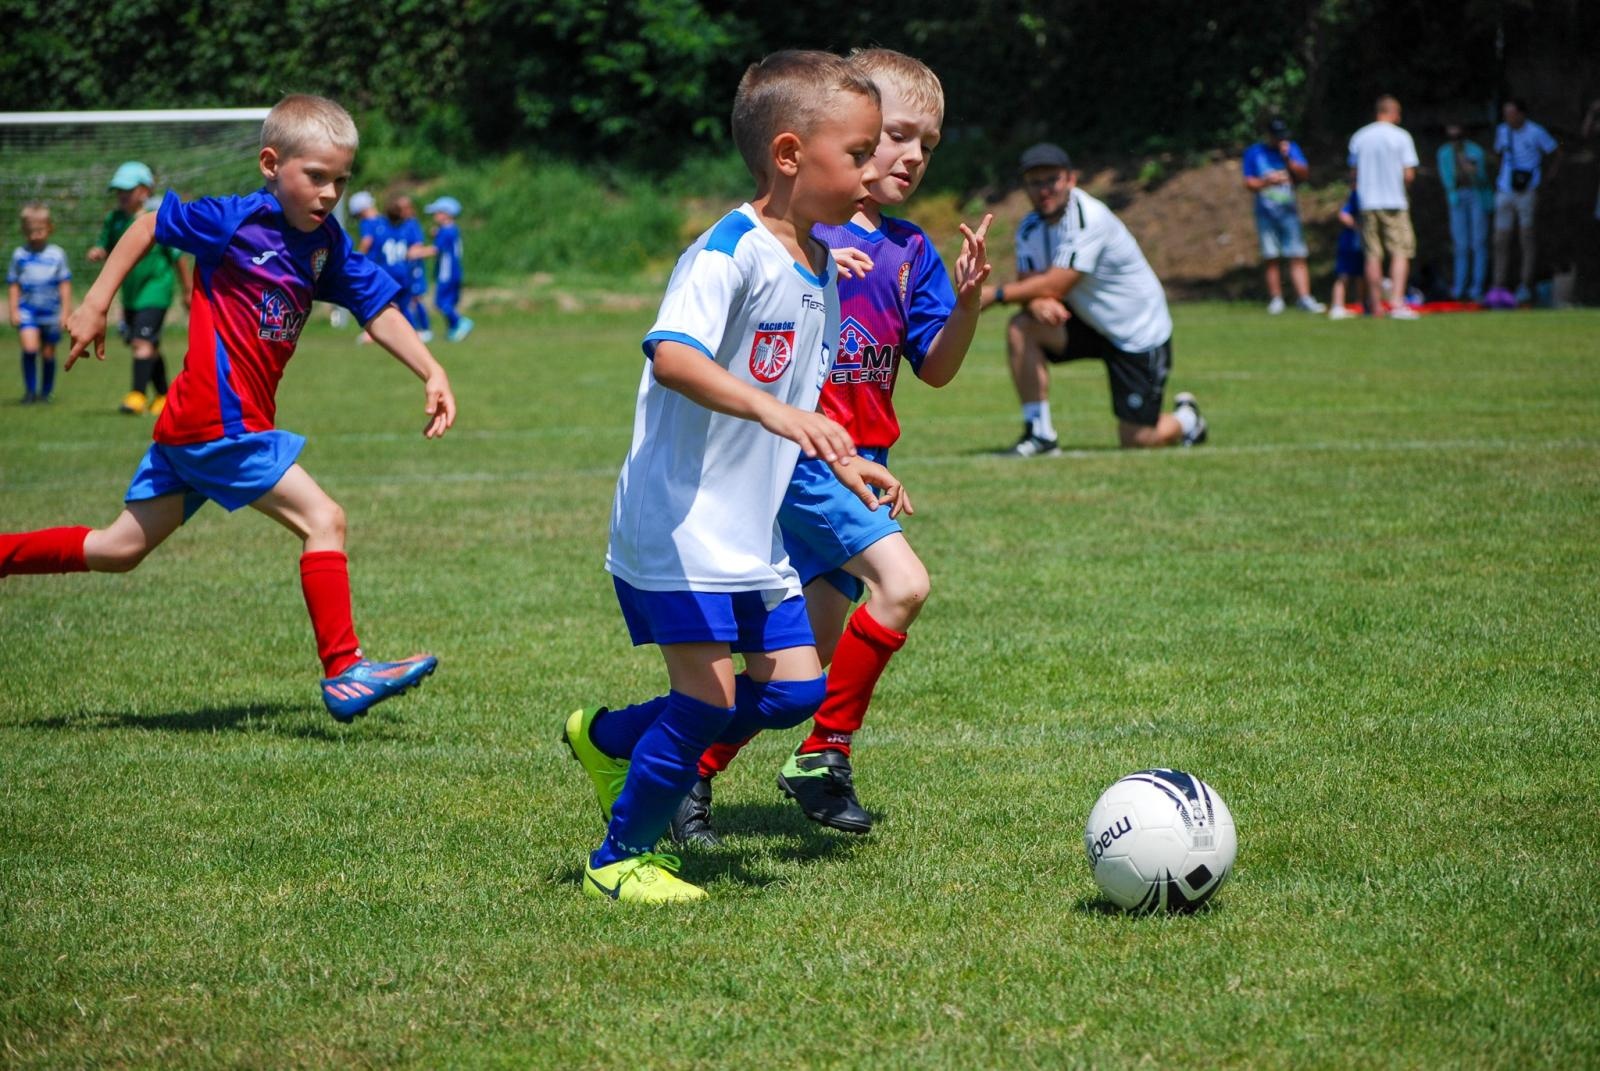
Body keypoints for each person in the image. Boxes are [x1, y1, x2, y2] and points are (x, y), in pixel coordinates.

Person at [560, 50, 904, 903]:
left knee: (792, 692)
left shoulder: (820, 264)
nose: (875, 170)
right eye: (857, 153)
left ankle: (609, 738)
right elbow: (673, 355)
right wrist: (774, 412)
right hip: (679, 522)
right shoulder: (730, 251)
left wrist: (842, 451)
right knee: (710, 699)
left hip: (749, 528)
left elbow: (796, 387)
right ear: (789, 156)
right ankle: (621, 858)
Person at [0, 94, 457, 723]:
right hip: (221, 422)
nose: (329, 193)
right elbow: (149, 224)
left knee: (118, 548)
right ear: (271, 163)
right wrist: (97, 302)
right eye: (316, 176)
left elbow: (375, 306)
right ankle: (345, 668)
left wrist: (431, 369)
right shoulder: (234, 222)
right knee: (325, 519)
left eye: (340, 180)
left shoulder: (323, 242)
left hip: (198, 427)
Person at [674, 48, 992, 845]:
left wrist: (972, 304)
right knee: (904, 581)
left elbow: (939, 370)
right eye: (892, 137)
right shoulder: (795, 233)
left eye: (928, 143)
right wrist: (821, 257)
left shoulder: (912, 251)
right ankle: (824, 753)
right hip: (805, 464)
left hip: (856, 469)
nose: (912, 155)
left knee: (796, 671)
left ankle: (688, 776)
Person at [979, 143, 1206, 455]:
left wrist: (996, 295)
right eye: (1035, 182)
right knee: (1023, 326)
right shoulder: (1029, 227)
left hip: (1136, 331)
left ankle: (1187, 419)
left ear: (1071, 179)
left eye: (1052, 180)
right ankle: (1040, 434)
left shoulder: (1089, 218)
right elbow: (1030, 282)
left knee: (1138, 440)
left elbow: (1059, 282)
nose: (1044, 190)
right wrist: (1033, 302)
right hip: (1088, 320)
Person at [87, 161, 192, 412]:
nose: (122, 195)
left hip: (156, 291)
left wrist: (188, 290)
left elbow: (178, 258)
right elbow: (108, 246)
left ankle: (136, 396)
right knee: (148, 344)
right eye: (119, 190)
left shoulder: (157, 221)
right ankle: (164, 397)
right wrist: (99, 251)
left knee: (140, 343)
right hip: (131, 294)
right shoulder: (113, 220)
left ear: (145, 191)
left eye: (128, 189)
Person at [1348, 96, 1421, 320]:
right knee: (1400, 251)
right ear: (1393, 112)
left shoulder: (1360, 136)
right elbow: (1408, 173)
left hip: (1368, 201)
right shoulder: (1401, 137)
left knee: (1372, 255)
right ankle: (1397, 302)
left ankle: (1376, 305)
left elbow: (1354, 174)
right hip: (1394, 202)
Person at [1242, 117, 1324, 314]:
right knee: (1271, 256)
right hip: (1265, 212)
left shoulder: (1291, 149)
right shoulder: (1254, 152)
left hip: (1289, 212)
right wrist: (1267, 182)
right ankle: (1276, 299)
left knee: (1297, 254)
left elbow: (1303, 174)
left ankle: (1304, 297)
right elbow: (1249, 183)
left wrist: (1288, 159)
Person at [1489, 99, 1560, 306]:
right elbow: (1499, 155)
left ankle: (1524, 285)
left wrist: (1544, 180)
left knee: (1526, 238)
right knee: (1500, 239)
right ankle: (1498, 285)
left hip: (1527, 191)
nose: (1508, 118)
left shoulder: (1536, 132)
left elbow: (1555, 153)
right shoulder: (1503, 131)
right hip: (1505, 189)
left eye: (1511, 114)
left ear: (1521, 114)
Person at [8, 203, 73, 403]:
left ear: (49, 228)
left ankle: (46, 393)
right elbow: (13, 285)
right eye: (30, 231)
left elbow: (64, 285)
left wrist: (65, 312)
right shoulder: (19, 255)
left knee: (48, 353)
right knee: (29, 349)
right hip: (28, 311)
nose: (35, 235)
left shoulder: (57, 254)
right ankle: (29, 391)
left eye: (39, 231)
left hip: (51, 312)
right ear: (24, 230)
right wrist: (13, 310)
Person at [1436, 123, 1493, 302]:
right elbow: (1446, 179)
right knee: (1461, 245)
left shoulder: (1475, 151)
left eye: (1458, 138)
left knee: (1479, 242)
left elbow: (1483, 178)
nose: (1455, 142)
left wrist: (1473, 172)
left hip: (1476, 196)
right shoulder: (1444, 153)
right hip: (1457, 197)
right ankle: (1459, 289)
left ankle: (1477, 289)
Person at [374, 195, 432, 341]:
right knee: (402, 305)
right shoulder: (396, 227)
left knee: (398, 304)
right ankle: (408, 333)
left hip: (394, 273)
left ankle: (418, 331)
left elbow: (414, 248)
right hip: (399, 272)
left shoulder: (397, 226)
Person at [422, 196, 474, 341]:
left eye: (437, 213)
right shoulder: (451, 230)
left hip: (447, 273)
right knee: (448, 302)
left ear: (446, 214)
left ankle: (460, 322)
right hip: (454, 271)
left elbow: (436, 250)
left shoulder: (446, 231)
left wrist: (416, 253)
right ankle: (453, 329)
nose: (434, 216)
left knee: (441, 302)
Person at [1327, 187, 1365, 319]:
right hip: (1350, 244)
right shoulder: (1357, 194)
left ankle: (1360, 304)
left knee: (1362, 275)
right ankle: (1337, 306)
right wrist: (1358, 227)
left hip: (1362, 244)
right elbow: (1343, 215)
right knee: (1344, 275)